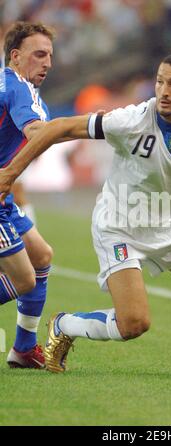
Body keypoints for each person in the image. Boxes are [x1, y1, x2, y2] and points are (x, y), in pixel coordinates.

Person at [0, 53, 171, 376]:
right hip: (118, 226)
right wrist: (10, 173)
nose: (163, 90)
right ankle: (64, 324)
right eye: (160, 81)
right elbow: (61, 127)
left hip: (170, 224)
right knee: (134, 323)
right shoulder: (132, 120)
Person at [0, 22, 54, 368]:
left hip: (4, 198)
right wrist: (93, 127)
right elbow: (36, 132)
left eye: (50, 55)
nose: (47, 62)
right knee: (23, 278)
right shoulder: (18, 87)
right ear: (16, 57)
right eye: (39, 54)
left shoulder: (8, 83)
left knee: (41, 256)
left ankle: (23, 348)